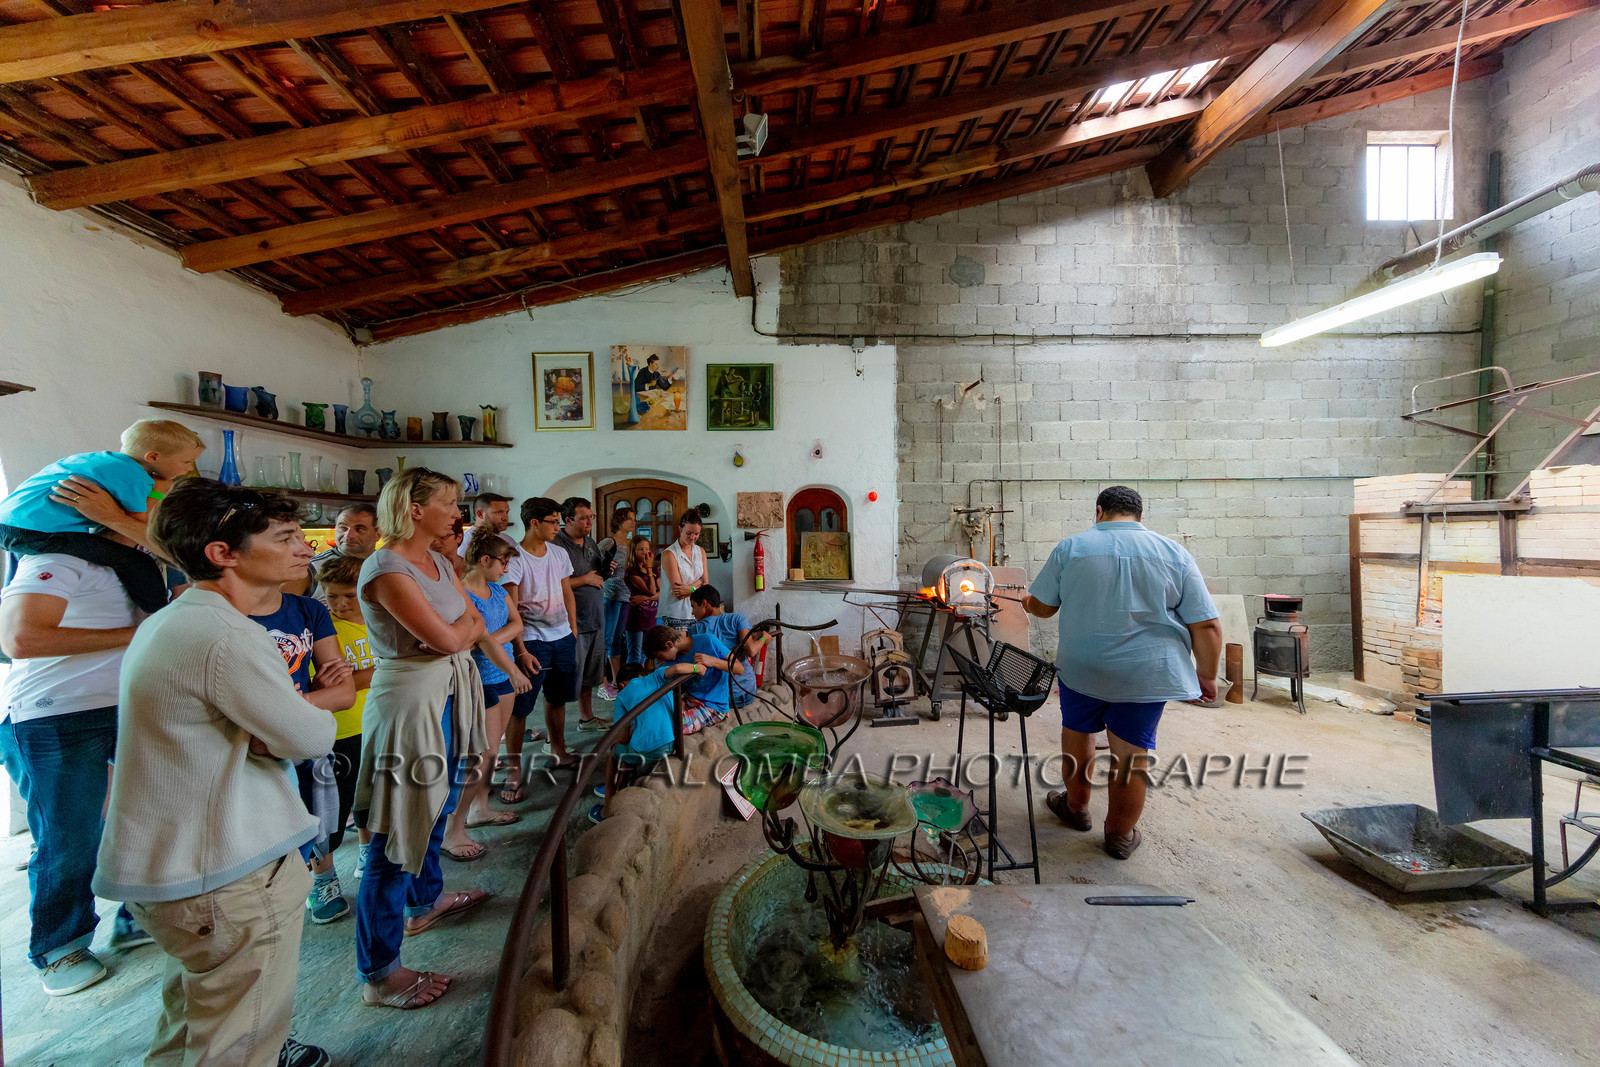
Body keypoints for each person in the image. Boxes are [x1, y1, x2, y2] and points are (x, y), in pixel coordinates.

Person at [93, 481, 335, 1067]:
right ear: (222, 553)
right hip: (226, 874)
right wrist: (290, 718)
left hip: (184, 869)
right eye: (285, 538)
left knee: (191, 1030)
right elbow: (310, 737)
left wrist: (272, 726)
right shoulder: (228, 636)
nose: (304, 549)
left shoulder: (179, 620)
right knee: (238, 1044)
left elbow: (274, 731)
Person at [1022, 485, 1224, 860]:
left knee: (1078, 732)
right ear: (1140, 516)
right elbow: (1207, 624)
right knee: (1132, 754)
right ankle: (1119, 834)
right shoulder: (1174, 553)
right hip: (1145, 674)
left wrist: (1027, 601)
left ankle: (1076, 808)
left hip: (1082, 668)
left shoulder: (1071, 548)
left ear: (1099, 511)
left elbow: (1044, 607)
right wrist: (1207, 676)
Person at [354, 468, 490, 1010]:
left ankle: (425, 902)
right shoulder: (387, 568)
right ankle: (379, 973)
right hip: (410, 705)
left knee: (438, 808)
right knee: (395, 832)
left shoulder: (439, 561)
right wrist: (457, 635)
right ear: (414, 509)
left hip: (448, 691)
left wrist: (456, 634)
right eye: (449, 502)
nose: (457, 513)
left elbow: (472, 622)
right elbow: (451, 637)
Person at [0, 533, 151, 996]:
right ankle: (59, 945)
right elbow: (20, 638)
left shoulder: (142, 563)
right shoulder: (57, 557)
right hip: (55, 713)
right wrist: (137, 634)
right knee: (70, 836)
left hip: (128, 704)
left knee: (146, 816)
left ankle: (137, 912)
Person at [246, 556, 357, 925]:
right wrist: (312, 697)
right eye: (286, 539)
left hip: (302, 739)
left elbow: (344, 693)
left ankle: (321, 879)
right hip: (250, 751)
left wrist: (288, 706)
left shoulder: (310, 611)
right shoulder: (229, 616)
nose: (302, 549)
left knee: (316, 817)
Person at [0, 419, 204, 614]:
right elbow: (135, 527)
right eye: (187, 462)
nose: (188, 468)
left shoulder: (98, 460)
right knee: (137, 562)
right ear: (153, 457)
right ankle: (157, 614)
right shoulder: (135, 477)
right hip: (36, 531)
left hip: (10, 522)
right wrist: (158, 490)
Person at [440, 528, 530, 860]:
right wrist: (488, 643)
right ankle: (453, 827)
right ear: (484, 559)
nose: (506, 569)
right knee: (480, 755)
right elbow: (475, 638)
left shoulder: (497, 590)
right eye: (503, 563)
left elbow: (517, 624)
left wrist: (488, 639)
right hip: (478, 679)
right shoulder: (462, 593)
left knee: (492, 752)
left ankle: (480, 806)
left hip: (501, 673)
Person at [502, 497, 579, 795]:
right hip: (532, 640)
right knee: (520, 707)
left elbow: (566, 591)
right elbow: (511, 608)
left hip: (562, 637)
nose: (558, 527)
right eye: (553, 522)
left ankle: (558, 751)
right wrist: (520, 649)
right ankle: (514, 769)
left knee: (557, 698)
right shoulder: (516, 558)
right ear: (534, 523)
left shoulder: (558, 553)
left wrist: (572, 629)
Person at [318, 554, 378, 880]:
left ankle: (367, 851)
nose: (340, 604)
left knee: (370, 797)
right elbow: (331, 687)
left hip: (377, 722)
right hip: (342, 730)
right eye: (332, 596)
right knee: (333, 810)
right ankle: (323, 879)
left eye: (348, 595)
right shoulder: (323, 631)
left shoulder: (379, 619)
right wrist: (382, 671)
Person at [589, 658, 701, 824]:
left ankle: (607, 806)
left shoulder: (623, 696)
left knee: (615, 751)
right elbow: (677, 668)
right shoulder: (657, 676)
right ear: (642, 674)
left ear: (622, 685)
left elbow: (622, 737)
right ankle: (623, 784)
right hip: (674, 741)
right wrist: (697, 668)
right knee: (631, 744)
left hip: (652, 749)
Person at [553, 496, 612, 732]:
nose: (589, 522)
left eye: (591, 517)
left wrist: (606, 571)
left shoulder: (590, 541)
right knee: (569, 679)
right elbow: (553, 583)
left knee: (589, 675)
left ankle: (586, 718)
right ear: (568, 520)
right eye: (584, 518)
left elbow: (596, 575)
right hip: (573, 622)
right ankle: (554, 738)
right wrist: (584, 579)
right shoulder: (557, 545)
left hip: (595, 617)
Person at [643, 624, 743, 735]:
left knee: (669, 728)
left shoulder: (708, 641)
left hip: (713, 707)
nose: (660, 661)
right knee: (652, 718)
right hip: (690, 700)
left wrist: (713, 661)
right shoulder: (671, 661)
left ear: (669, 644)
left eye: (659, 656)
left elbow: (739, 669)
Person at [689, 584, 760, 708]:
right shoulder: (737, 619)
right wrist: (764, 639)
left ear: (704, 603)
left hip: (716, 697)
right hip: (745, 691)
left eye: (693, 607)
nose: (692, 612)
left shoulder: (695, 630)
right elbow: (751, 650)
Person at [293, 502, 379, 599]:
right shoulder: (311, 568)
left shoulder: (385, 563)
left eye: (359, 529)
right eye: (343, 528)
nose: (348, 535)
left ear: (378, 534)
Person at [598, 507, 635, 700]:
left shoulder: (631, 543)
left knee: (616, 641)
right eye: (630, 519)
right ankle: (601, 683)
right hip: (610, 596)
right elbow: (594, 563)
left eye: (634, 519)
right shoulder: (609, 542)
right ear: (620, 520)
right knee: (605, 639)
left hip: (626, 597)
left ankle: (616, 681)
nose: (633, 522)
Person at [658, 512, 706, 627]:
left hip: (697, 613)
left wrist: (691, 588)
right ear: (680, 529)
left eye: (696, 534)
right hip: (675, 613)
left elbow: (706, 586)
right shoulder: (669, 554)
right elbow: (679, 593)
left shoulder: (701, 551)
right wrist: (699, 582)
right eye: (689, 533)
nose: (692, 537)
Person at [623, 537, 657, 667]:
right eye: (641, 549)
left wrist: (644, 598)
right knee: (635, 655)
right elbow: (652, 591)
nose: (645, 552)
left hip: (651, 616)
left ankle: (640, 677)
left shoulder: (655, 570)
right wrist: (649, 569)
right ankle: (631, 678)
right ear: (634, 551)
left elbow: (662, 593)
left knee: (644, 654)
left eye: (647, 549)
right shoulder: (631, 571)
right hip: (637, 617)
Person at [456, 492, 513, 557]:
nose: (505, 518)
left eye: (507, 512)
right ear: (480, 514)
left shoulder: (509, 541)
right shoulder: (464, 543)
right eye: (498, 512)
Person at [431, 514, 469, 580]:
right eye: (431, 537)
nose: (436, 542)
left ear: (459, 537)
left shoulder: (473, 569)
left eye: (443, 536)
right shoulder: (423, 571)